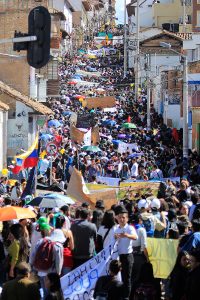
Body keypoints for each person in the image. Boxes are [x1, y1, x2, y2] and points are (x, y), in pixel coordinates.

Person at [115, 207, 138, 300]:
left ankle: (126, 297)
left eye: (124, 217)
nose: (122, 219)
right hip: (118, 256)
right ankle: (120, 294)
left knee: (127, 278)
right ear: (117, 218)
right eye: (120, 217)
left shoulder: (129, 227)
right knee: (118, 277)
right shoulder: (116, 228)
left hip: (127, 256)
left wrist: (126, 235)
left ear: (127, 218)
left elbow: (135, 237)